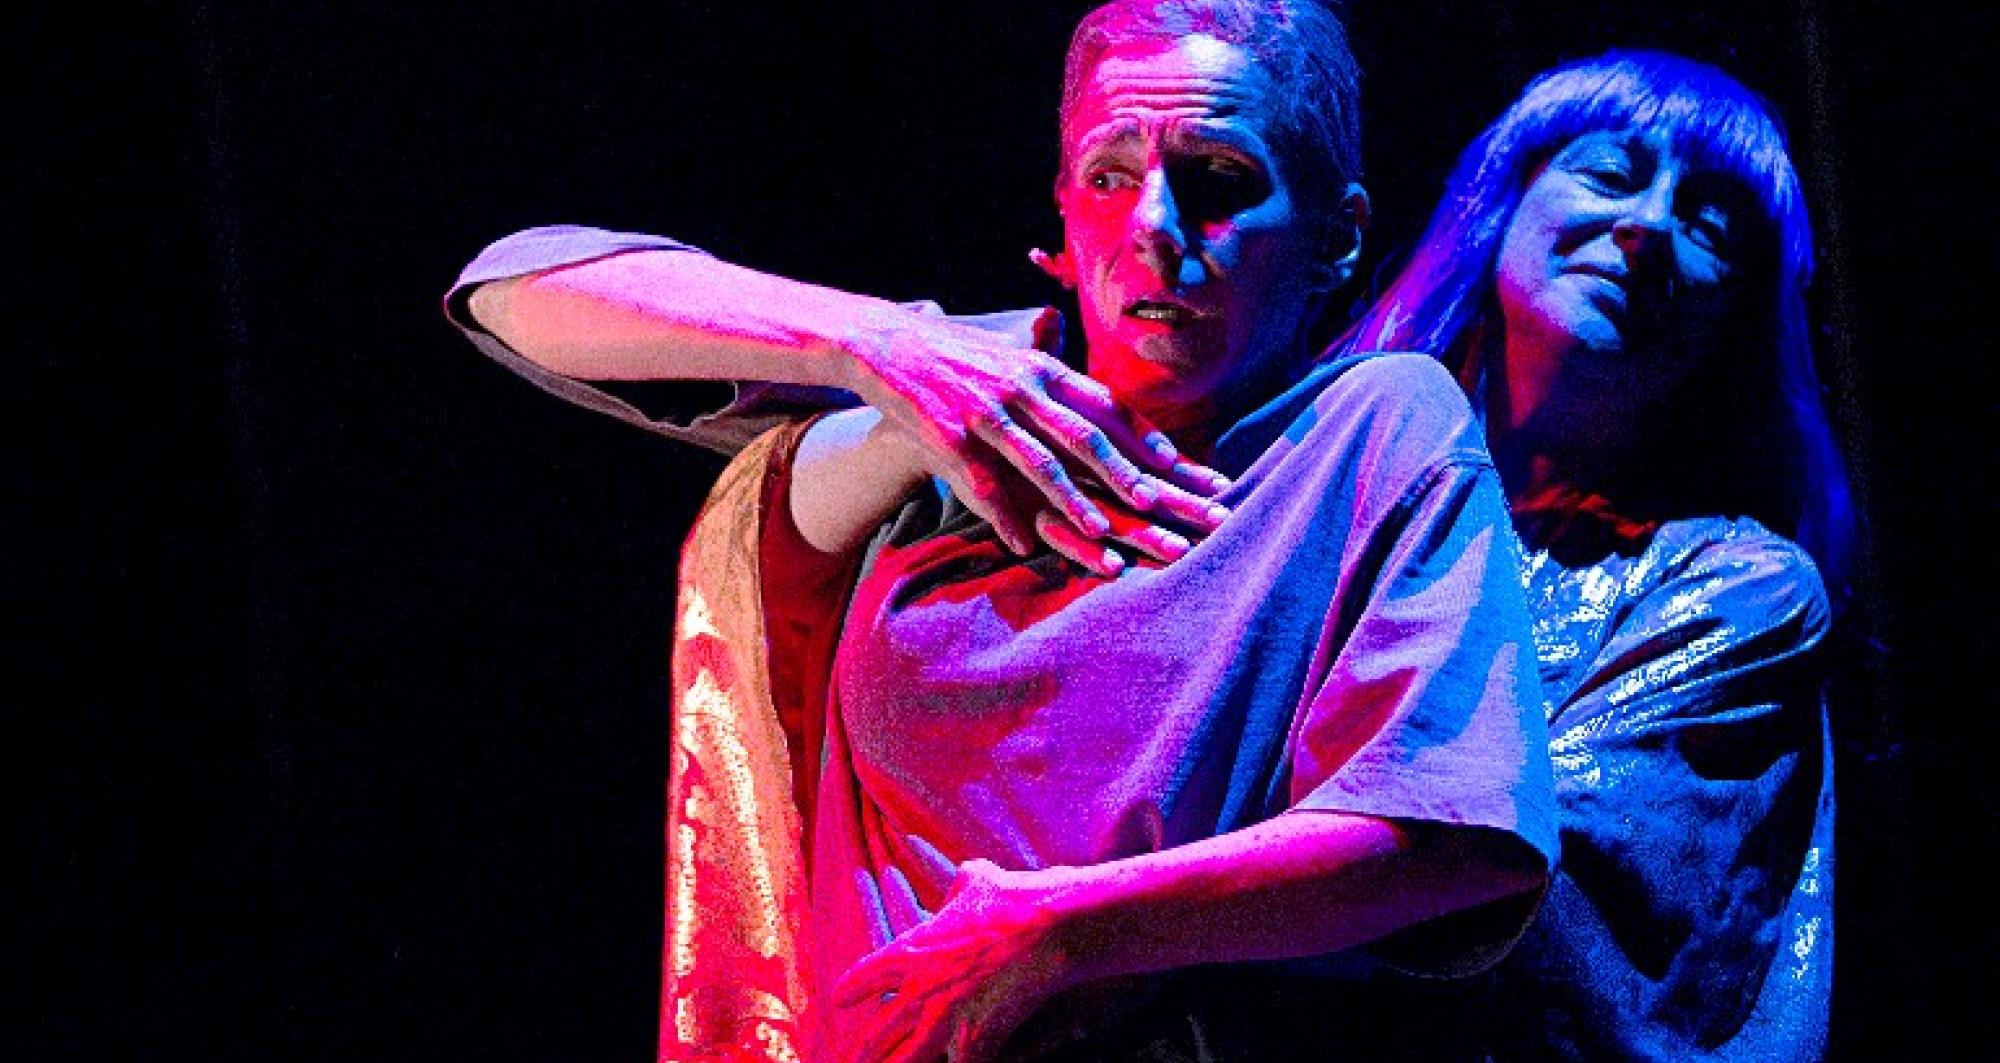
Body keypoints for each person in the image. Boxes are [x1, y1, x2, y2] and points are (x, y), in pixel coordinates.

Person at [446, 2, 1558, 1060]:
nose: (1154, 226)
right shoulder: (956, 394)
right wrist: (879, 348)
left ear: (1338, 234)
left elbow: (1455, 839)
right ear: (1062, 223)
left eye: (1218, 181)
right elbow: (511, 292)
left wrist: (1060, 929)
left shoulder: (1371, 427)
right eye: (1108, 177)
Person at [1333, 50, 1851, 1061]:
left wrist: (1092, 915)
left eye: (1708, 224)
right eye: (1610, 173)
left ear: (1734, 320)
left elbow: (1488, 870)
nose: (1647, 225)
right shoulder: (1319, 476)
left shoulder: (1741, 591)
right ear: (1502, 204)